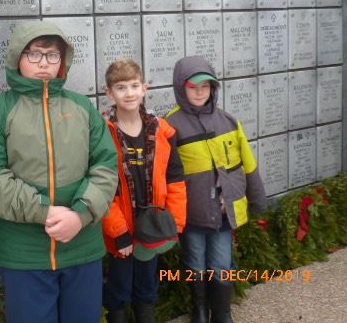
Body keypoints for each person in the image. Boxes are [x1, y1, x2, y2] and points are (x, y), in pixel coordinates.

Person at [0, 20, 118, 323]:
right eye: (34, 54)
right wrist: (45, 212)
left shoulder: (82, 108)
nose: (44, 63)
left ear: (62, 61)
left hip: (83, 248)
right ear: (18, 58)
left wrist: (79, 214)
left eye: (52, 55)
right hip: (25, 254)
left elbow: (105, 166)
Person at [164, 56, 266, 323]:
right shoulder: (171, 126)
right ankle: (199, 310)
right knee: (195, 263)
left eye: (206, 87)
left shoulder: (229, 122)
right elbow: (166, 176)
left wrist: (257, 201)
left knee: (221, 263)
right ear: (180, 88)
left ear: (213, 89)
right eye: (193, 87)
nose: (200, 92)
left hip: (223, 214)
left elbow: (248, 164)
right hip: (193, 215)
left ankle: (222, 312)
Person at [101, 58, 186, 323]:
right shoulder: (103, 133)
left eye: (134, 85)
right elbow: (103, 188)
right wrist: (119, 233)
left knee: (147, 286)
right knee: (119, 288)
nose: (129, 93)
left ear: (145, 88)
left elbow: (175, 181)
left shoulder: (162, 131)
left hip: (153, 227)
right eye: (121, 87)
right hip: (122, 232)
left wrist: (175, 224)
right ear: (109, 93)